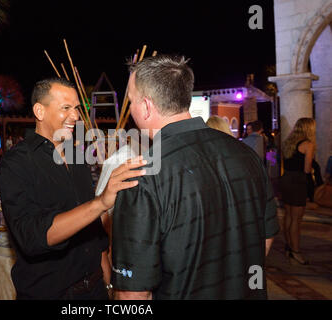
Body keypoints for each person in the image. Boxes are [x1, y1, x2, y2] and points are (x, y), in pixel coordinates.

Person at [111, 55, 279, 300]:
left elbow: (132, 294)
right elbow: (265, 236)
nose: (130, 111)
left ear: (146, 106)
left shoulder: (142, 175)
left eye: (131, 102)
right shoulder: (247, 155)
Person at [0, 78, 146, 300]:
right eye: (65, 108)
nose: (75, 117)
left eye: (76, 108)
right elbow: (32, 237)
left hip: (94, 290)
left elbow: (93, 231)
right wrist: (101, 202)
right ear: (40, 111)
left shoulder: (77, 156)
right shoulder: (16, 163)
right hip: (50, 294)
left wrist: (107, 285)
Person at [280, 118, 316, 265]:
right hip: (298, 181)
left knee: (288, 214)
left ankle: (289, 246)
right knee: (297, 219)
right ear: (309, 128)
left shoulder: (288, 142)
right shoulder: (308, 144)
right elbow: (307, 169)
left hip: (286, 178)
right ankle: (296, 252)